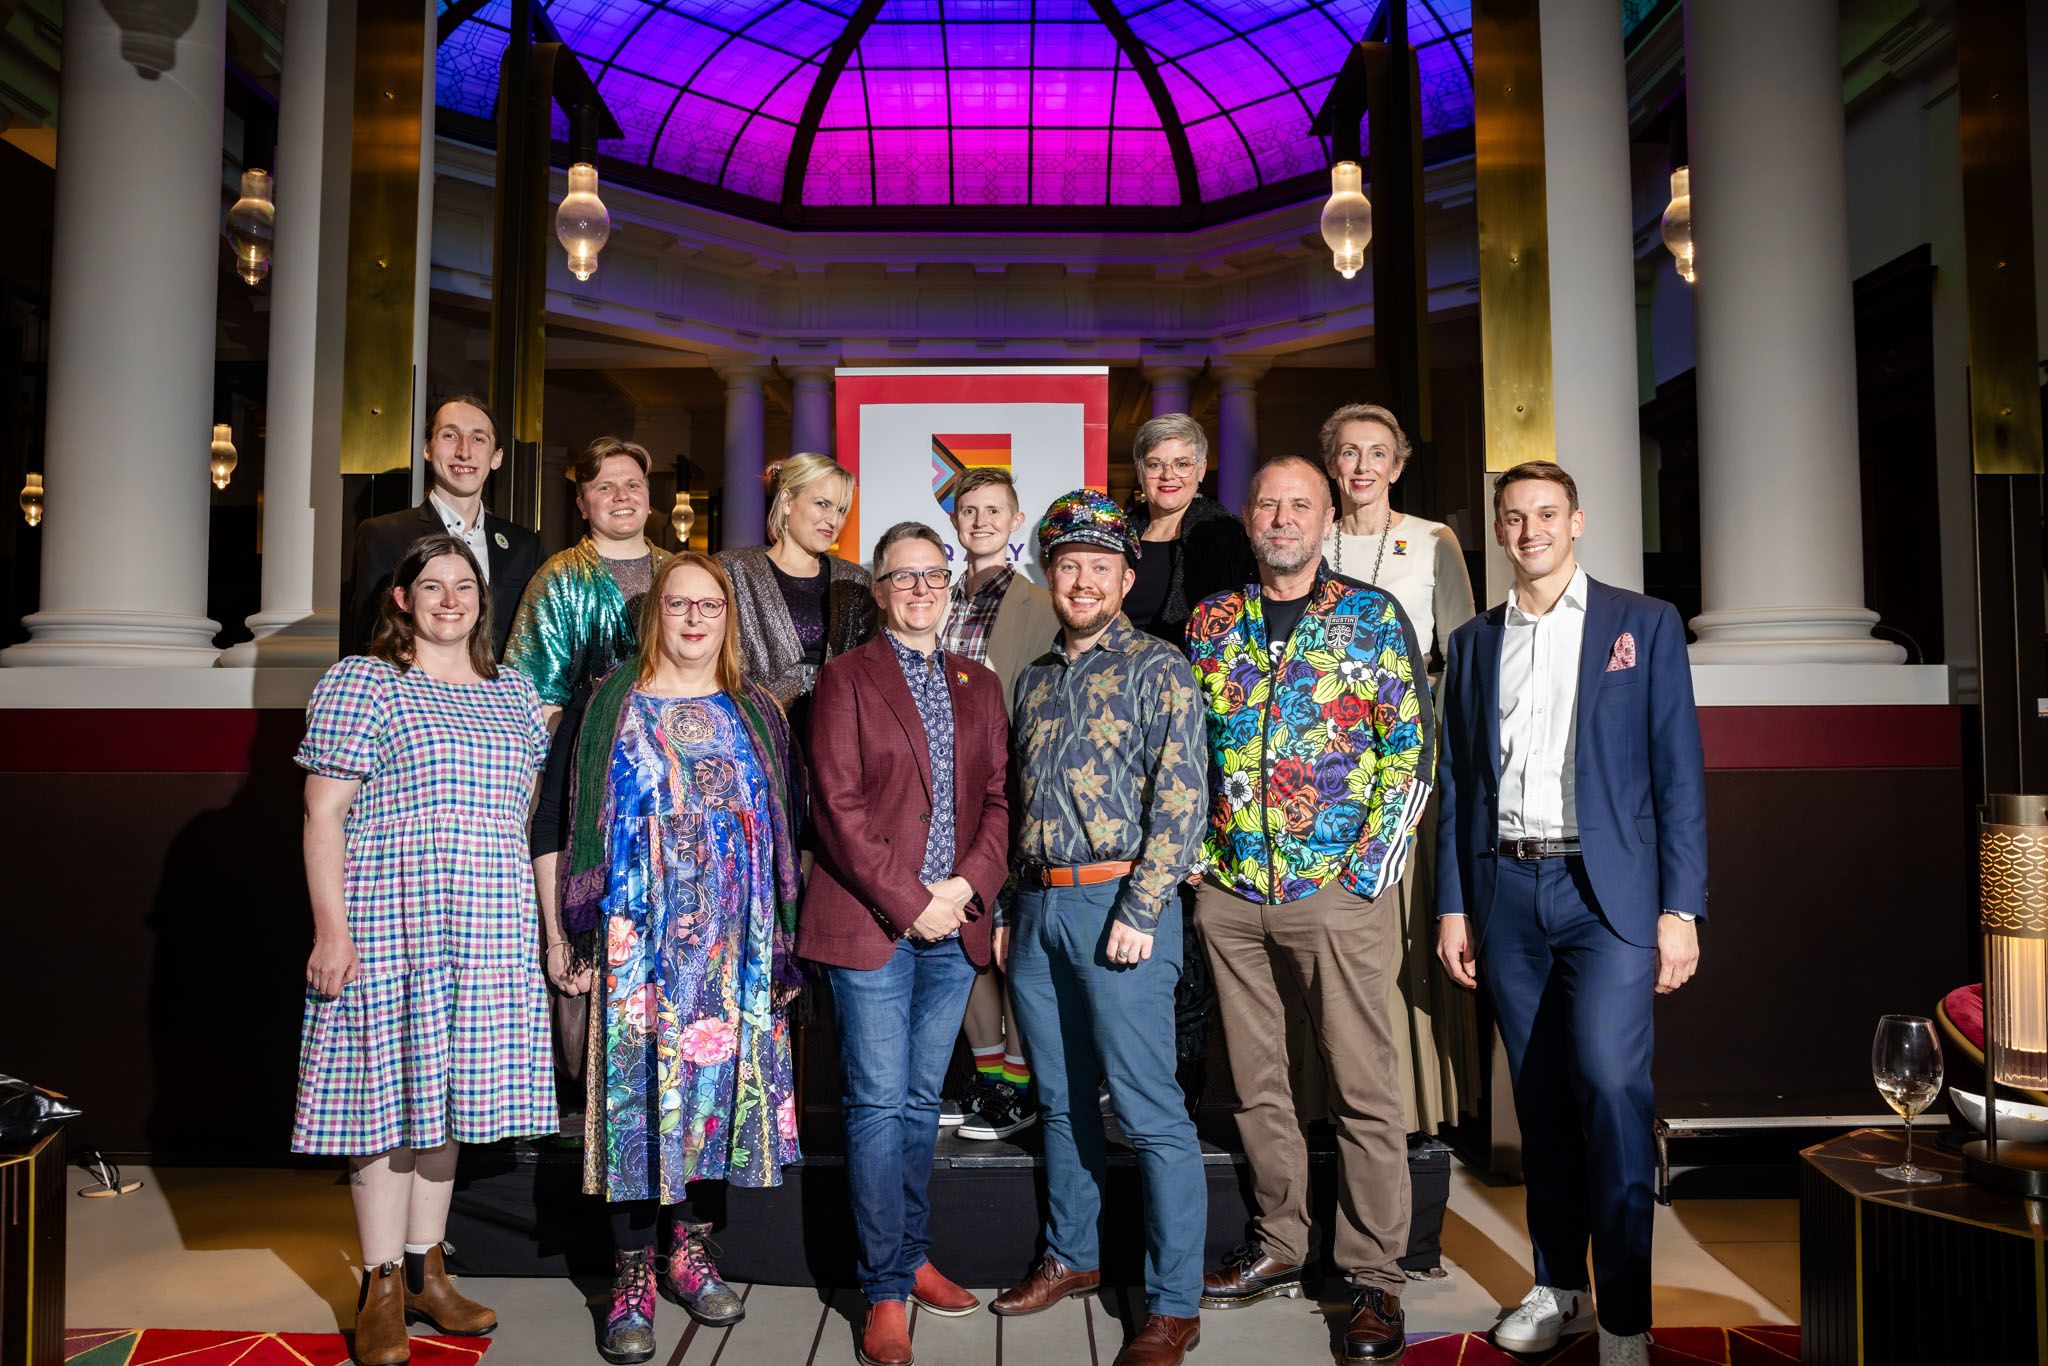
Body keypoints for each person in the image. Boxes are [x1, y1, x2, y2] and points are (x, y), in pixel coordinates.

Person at [1434, 462, 1706, 1366]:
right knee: (1541, 1102)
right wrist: (1453, 906)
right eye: (1513, 518)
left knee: (1614, 1090)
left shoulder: (1644, 624)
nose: (1530, 531)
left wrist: (1681, 907)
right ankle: (1562, 1289)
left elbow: (1678, 774)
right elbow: (1461, 784)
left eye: (1546, 514)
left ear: (1577, 521)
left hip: (1612, 895)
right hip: (1508, 892)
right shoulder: (1473, 643)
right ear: (1499, 532)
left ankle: (1626, 1316)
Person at [1183, 456, 1432, 1363]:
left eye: (1301, 504)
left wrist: (1369, 872)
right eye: (1268, 504)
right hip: (1231, 894)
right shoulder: (1212, 622)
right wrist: (1202, 868)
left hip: (1339, 893)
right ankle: (1281, 1246)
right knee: (1256, 1085)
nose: (1282, 518)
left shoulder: (1370, 617)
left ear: (1328, 517)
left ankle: (1374, 1278)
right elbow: (1188, 752)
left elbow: (1412, 748)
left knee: (1365, 1086)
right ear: (1249, 519)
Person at [294, 533, 554, 1366]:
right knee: (387, 1101)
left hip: (488, 926)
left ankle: (428, 1271)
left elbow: (520, 818)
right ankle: (378, 1286)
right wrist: (332, 928)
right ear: (401, 598)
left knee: (451, 1102)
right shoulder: (365, 681)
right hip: (390, 920)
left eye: (464, 585)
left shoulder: (515, 694)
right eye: (431, 586)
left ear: (483, 598)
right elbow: (323, 813)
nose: (450, 599)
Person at [557, 552, 806, 1365]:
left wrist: (779, 945)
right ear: (653, 613)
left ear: (728, 619)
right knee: (634, 1105)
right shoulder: (606, 709)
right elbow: (560, 833)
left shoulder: (758, 710)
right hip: (636, 943)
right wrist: (567, 935)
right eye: (678, 604)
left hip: (732, 946)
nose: (694, 620)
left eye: (710, 606)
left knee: (715, 1096)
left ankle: (689, 1251)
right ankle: (630, 1274)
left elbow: (785, 834)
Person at [990, 490, 1209, 1366]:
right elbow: (1018, 804)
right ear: (1051, 576)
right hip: (1040, 908)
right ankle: (1074, 1257)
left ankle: (1173, 1304)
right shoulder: (1035, 678)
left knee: (1152, 1113)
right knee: (1061, 1100)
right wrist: (1011, 908)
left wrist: (1144, 909)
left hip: (1122, 909)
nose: (1082, 581)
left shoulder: (1162, 669)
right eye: (1068, 566)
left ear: (1125, 579)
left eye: (1100, 568)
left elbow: (1184, 799)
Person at [801, 521, 1013, 1366]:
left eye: (934, 575)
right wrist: (910, 901)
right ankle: (884, 1290)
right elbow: (836, 810)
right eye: (903, 577)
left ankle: (911, 1255)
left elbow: (1001, 799)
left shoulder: (980, 682)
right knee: (879, 1104)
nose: (921, 589)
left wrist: (964, 890)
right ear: (880, 591)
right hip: (875, 926)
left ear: (950, 587)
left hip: (952, 922)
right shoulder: (845, 680)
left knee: (924, 1104)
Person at [1320, 402, 1480, 1136]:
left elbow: (1462, 664)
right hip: (1319, 778)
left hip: (1409, 772)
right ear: (1331, 462)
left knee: (1401, 931)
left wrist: (1431, 761)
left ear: (1399, 464)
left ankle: (1414, 1110)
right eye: (1348, 453)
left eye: (1376, 453)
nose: (1361, 467)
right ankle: (1329, 1101)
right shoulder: (1308, 539)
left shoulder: (1431, 541)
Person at [504, 438, 668, 1115]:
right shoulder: (561, 577)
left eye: (633, 484)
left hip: (668, 770)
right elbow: (532, 694)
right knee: (590, 929)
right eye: (606, 486)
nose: (623, 496)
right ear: (582, 501)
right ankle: (586, 1101)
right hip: (583, 761)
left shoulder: (679, 571)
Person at [1122, 413, 1254, 1109]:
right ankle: (1126, 1070)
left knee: (1184, 899)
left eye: (1181, 463)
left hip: (1192, 734)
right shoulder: (1116, 532)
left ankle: (1183, 1074)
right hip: (1118, 741)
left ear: (1200, 470)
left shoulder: (1222, 536)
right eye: (1154, 464)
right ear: (1139, 473)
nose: (1167, 475)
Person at [934, 467, 1058, 1142]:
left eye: (993, 511)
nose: (979, 521)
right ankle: (990, 1075)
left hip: (1010, 794)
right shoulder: (937, 597)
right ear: (955, 522)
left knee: (1014, 946)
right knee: (964, 938)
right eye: (968, 510)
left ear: (1015, 522)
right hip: (944, 801)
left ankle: (1019, 1082)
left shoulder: (1041, 605)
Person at [345, 395, 542, 658]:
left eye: (478, 439)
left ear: (497, 457)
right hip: (416, 695)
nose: (464, 451)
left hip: (500, 694)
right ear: (427, 448)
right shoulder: (383, 535)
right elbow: (370, 638)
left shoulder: (524, 545)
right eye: (450, 436)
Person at [717, 452, 878, 738]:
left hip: (834, 747)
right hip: (751, 740)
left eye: (841, 510)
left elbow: (868, 673)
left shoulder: (854, 581)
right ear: (788, 501)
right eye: (822, 504)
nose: (833, 520)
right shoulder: (732, 571)